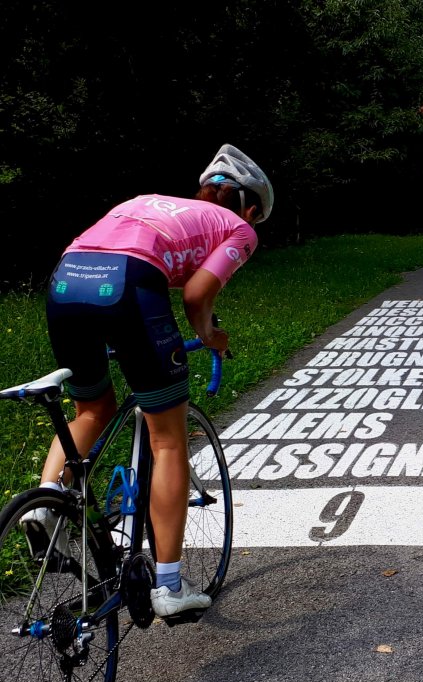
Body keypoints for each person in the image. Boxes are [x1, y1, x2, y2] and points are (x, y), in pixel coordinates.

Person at [23, 144, 273, 617]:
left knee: (91, 408)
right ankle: (169, 587)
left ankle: (42, 505)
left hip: (66, 278)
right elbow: (197, 295)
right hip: (130, 285)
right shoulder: (238, 228)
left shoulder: (147, 203)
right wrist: (212, 336)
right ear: (251, 207)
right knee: (168, 441)